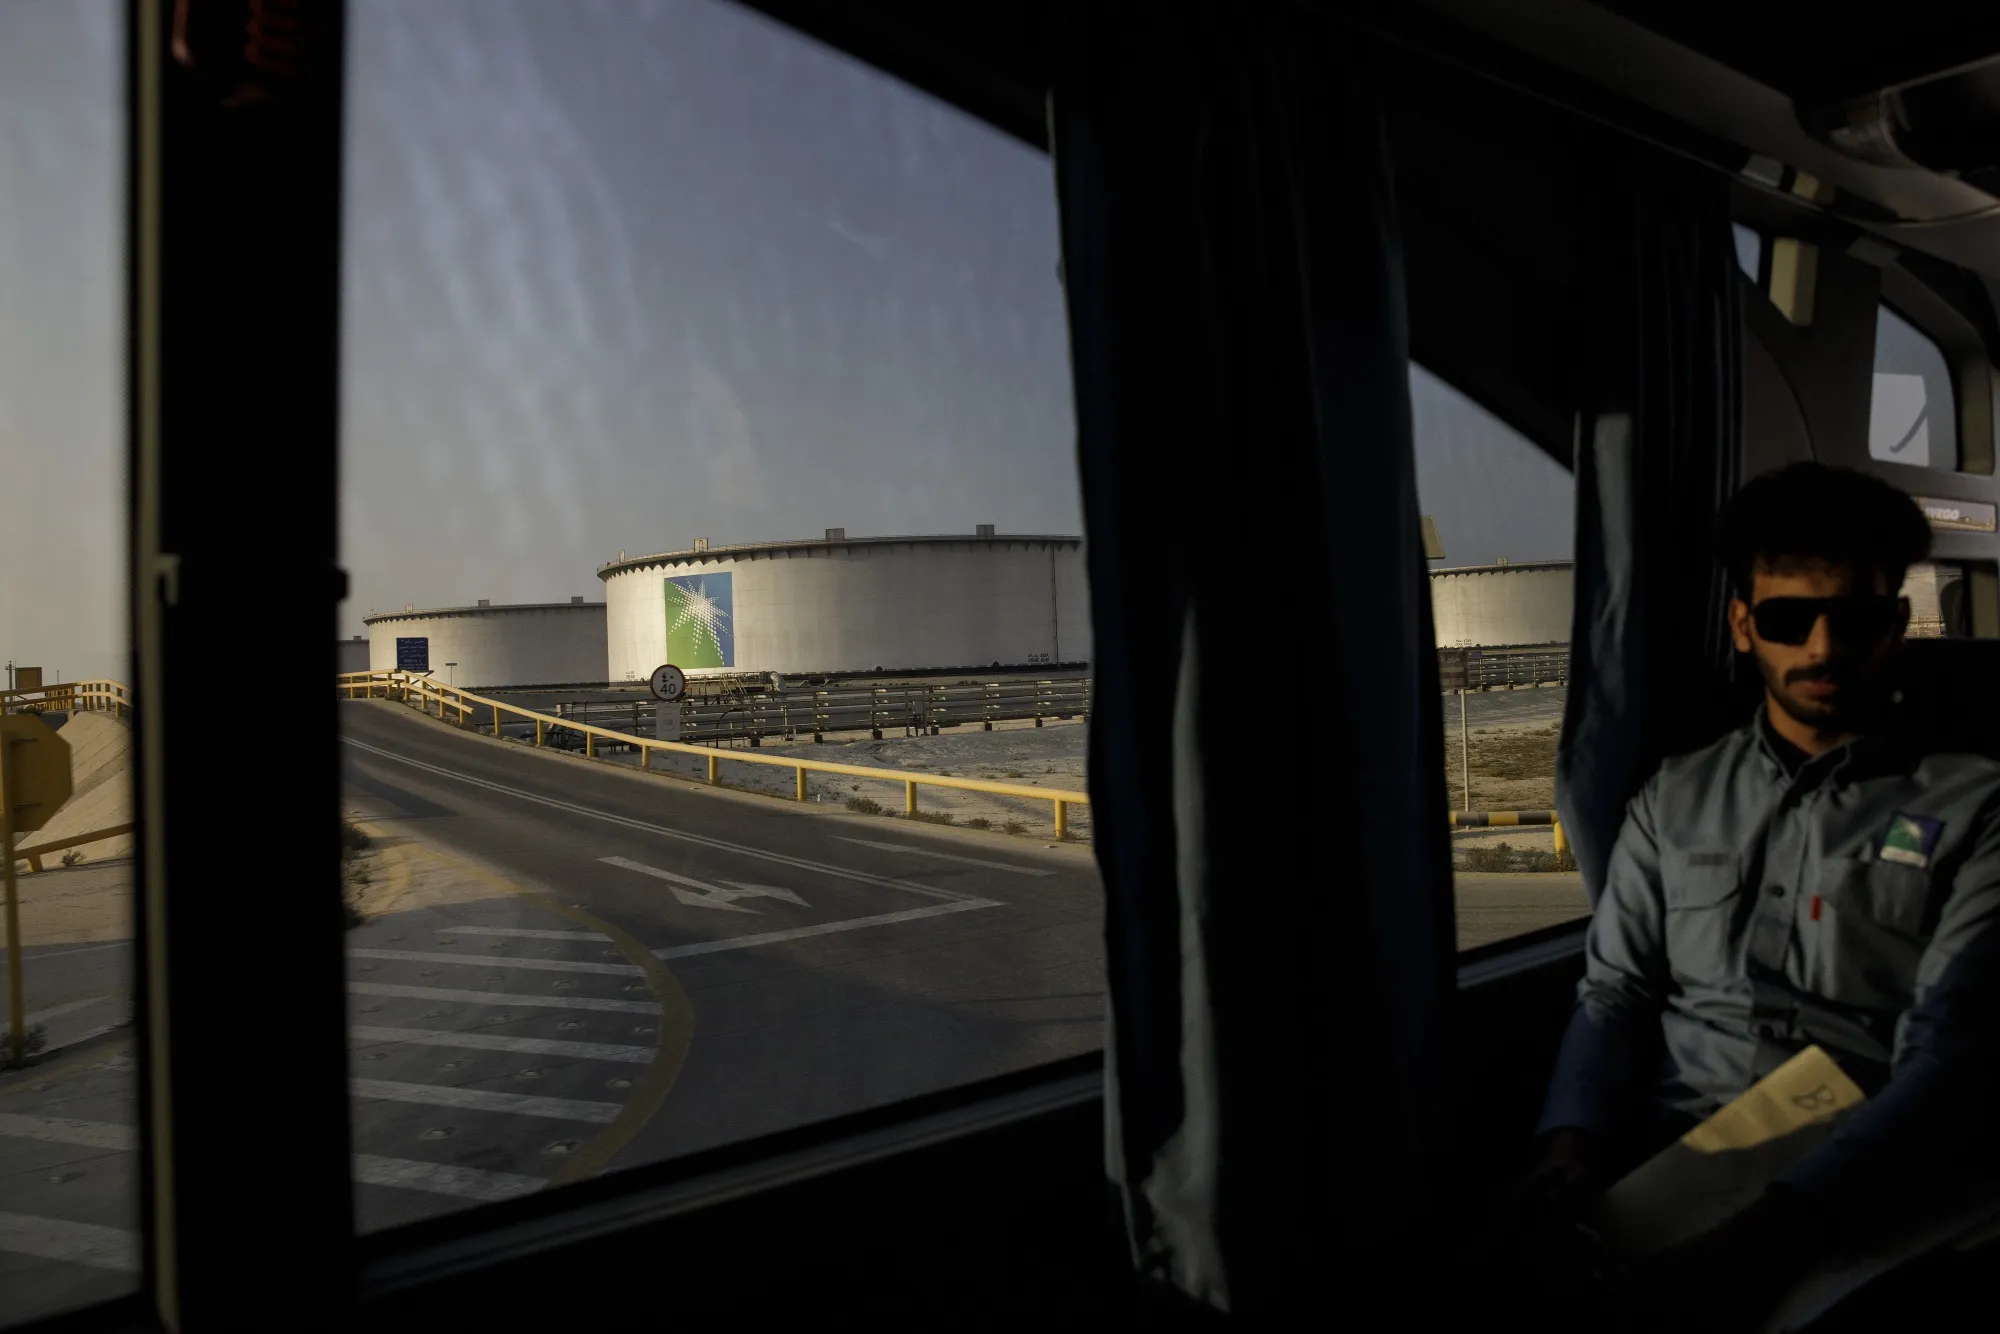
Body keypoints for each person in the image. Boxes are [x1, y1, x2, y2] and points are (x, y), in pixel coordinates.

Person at [1520, 462, 2000, 1333]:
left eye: (1852, 620)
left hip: (1873, 1170)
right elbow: (1615, 992)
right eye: (1788, 618)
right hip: (1677, 1153)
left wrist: (1775, 1232)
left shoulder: (1978, 808)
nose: (1821, 648)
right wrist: (1571, 1144)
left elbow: (1951, 1054)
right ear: (1744, 626)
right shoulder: (1673, 799)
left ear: (1895, 627)